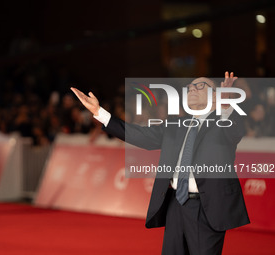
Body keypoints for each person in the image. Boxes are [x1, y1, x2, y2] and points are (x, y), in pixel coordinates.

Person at [70, 72, 249, 255]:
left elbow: (235, 131)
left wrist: (226, 105)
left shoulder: (224, 124)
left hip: (208, 208)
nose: (193, 88)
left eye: (200, 86)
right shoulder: (175, 126)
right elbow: (140, 135)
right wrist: (99, 113)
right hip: (175, 205)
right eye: (190, 87)